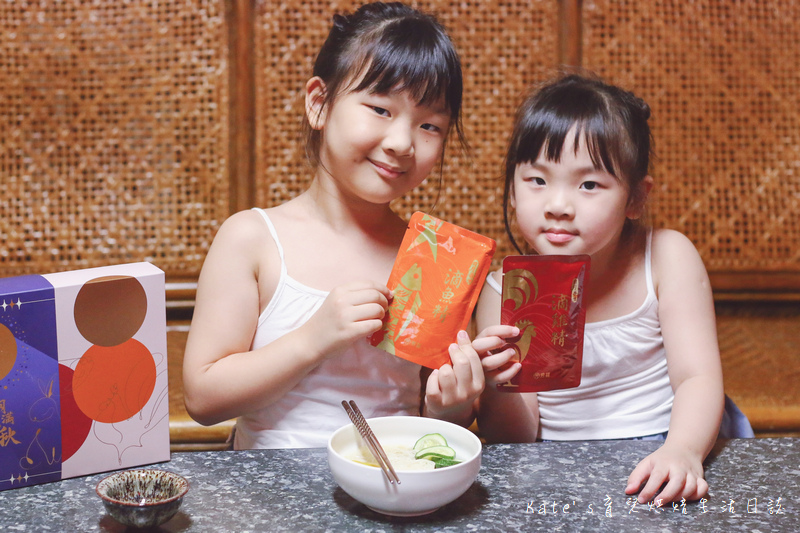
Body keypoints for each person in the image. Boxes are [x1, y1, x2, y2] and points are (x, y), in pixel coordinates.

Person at [182, 2, 495, 449]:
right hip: (272, 503)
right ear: (319, 104)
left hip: (392, 498)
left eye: (430, 125)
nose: (403, 143)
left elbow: (430, 421)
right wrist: (314, 338)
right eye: (381, 110)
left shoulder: (433, 259)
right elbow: (202, 397)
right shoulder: (251, 239)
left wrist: (451, 409)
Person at [473, 73, 725, 504]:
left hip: (666, 444)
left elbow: (697, 378)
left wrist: (682, 450)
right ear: (512, 189)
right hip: (552, 466)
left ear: (635, 199)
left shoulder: (665, 257)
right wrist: (499, 383)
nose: (558, 205)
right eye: (537, 180)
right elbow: (516, 436)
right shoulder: (501, 290)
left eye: (588, 184)